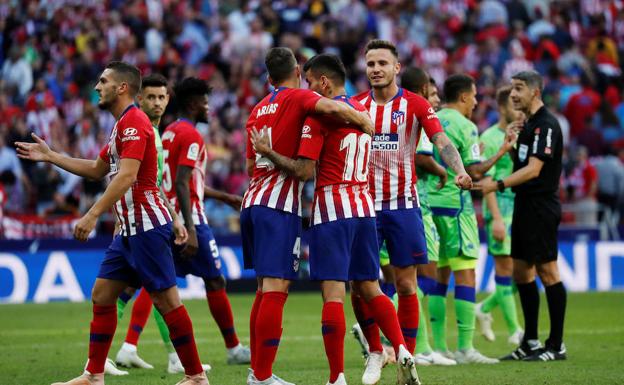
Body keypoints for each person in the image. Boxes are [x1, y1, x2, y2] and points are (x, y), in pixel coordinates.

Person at [16, 61, 209, 385]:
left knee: (166, 301)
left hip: (147, 227)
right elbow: (96, 168)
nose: (96, 87)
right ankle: (93, 375)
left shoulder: (134, 122)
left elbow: (129, 176)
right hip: (130, 231)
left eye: (103, 81)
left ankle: (196, 376)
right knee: (103, 295)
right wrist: (52, 156)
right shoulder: (122, 126)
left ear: (121, 88)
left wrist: (92, 214)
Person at [252, 53, 421, 385]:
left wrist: (269, 152)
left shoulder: (319, 119)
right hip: (364, 207)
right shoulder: (363, 112)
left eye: (312, 82)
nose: (310, 87)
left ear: (324, 82)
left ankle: (336, 377)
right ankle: (401, 348)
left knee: (333, 296)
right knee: (371, 288)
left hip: (332, 210)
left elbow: (303, 170)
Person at [241, 47, 374, 385]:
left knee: (262, 287)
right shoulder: (298, 97)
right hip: (278, 205)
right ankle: (262, 376)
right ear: (298, 71)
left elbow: (248, 166)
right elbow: (329, 107)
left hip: (253, 199)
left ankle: (257, 373)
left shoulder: (256, 111)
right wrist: (361, 119)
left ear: (269, 78)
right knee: (276, 286)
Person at [351, 40, 472, 384]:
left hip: (404, 207)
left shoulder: (415, 104)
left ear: (396, 68)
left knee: (406, 285)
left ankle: (407, 356)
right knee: (360, 286)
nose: (375, 69)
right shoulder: (355, 105)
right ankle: (376, 352)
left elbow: (441, 141)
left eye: (382, 63)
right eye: (370, 63)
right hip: (363, 207)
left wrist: (460, 169)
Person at [161, 77, 251, 366]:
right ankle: (234, 348)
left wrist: (224, 197)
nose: (208, 106)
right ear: (191, 103)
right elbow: (183, 183)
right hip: (190, 218)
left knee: (155, 282)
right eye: (204, 100)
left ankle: (129, 345)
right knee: (214, 280)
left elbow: (181, 181)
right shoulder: (191, 135)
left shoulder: (168, 132)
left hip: (166, 215)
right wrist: (190, 228)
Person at [427, 74, 515, 365]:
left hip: (429, 205)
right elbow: (476, 172)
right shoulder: (467, 127)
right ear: (463, 96)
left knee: (437, 277)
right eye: (474, 96)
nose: (476, 101)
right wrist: (501, 151)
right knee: (465, 274)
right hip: (456, 206)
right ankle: (465, 348)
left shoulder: (432, 119)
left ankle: (438, 347)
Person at [479, 70, 567, 362]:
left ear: (535, 92)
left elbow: (533, 170)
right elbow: (522, 161)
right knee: (521, 272)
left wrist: (498, 183)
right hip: (525, 206)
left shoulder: (546, 125)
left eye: (518, 88)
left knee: (548, 272)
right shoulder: (527, 125)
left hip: (541, 206)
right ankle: (529, 341)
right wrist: (510, 144)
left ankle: (556, 345)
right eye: (513, 89)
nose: (513, 94)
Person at [475, 86, 524, 346]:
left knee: (527, 271)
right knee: (505, 269)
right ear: (502, 108)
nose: (518, 111)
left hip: (521, 209)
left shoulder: (523, 135)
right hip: (500, 210)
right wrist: (494, 218)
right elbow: (486, 180)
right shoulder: (490, 137)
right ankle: (516, 330)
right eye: (513, 106)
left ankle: (483, 309)